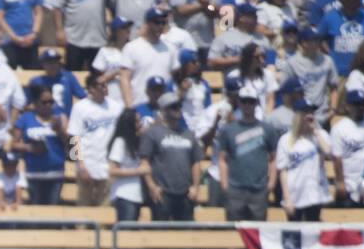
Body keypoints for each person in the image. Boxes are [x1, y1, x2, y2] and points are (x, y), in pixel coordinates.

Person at [216, 90, 278, 221]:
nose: (247, 105)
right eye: (244, 101)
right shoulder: (229, 130)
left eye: (251, 101)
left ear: (256, 104)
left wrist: (271, 183)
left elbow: (274, 158)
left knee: (257, 234)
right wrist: (224, 184)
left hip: (259, 190)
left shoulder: (267, 129)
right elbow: (222, 159)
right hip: (235, 190)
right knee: (232, 234)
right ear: (239, 103)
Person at [141, 91, 201, 220]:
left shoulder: (189, 134)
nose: (177, 110)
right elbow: (144, 162)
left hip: (185, 193)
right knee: (160, 235)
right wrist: (152, 187)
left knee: (186, 235)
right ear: (164, 110)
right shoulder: (153, 133)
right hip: (163, 193)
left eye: (179, 106)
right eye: (173, 107)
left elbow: (196, 162)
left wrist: (195, 187)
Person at [68, 69, 122, 206]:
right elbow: (74, 138)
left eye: (106, 84)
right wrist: (80, 166)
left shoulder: (116, 107)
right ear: (91, 89)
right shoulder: (80, 108)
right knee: (83, 209)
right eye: (101, 85)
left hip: (108, 165)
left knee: (105, 209)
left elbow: (121, 138)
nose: (105, 88)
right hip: (87, 164)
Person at [12, 81, 68, 204]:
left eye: (51, 102)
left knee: (54, 213)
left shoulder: (60, 117)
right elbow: (12, 145)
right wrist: (30, 148)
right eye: (44, 102)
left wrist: (60, 131)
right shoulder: (26, 118)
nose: (48, 105)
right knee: (36, 213)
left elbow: (75, 147)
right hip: (34, 173)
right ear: (36, 103)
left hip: (56, 174)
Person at [276, 102, 331, 221]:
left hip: (314, 193)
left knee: (313, 231)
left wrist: (316, 131)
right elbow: (283, 170)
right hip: (295, 193)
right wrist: (287, 198)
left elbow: (328, 152)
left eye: (312, 113)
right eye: (307, 113)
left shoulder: (320, 135)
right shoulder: (286, 139)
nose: (310, 116)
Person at [318, 0, 364, 77]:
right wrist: (330, 54)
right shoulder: (329, 17)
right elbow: (320, 39)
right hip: (338, 72)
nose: (355, 1)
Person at [0, 0, 44, 69]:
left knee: (33, 71)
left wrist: (34, 33)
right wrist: (13, 37)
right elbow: (0, 17)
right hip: (9, 41)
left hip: (31, 40)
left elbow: (38, 12)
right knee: (9, 71)